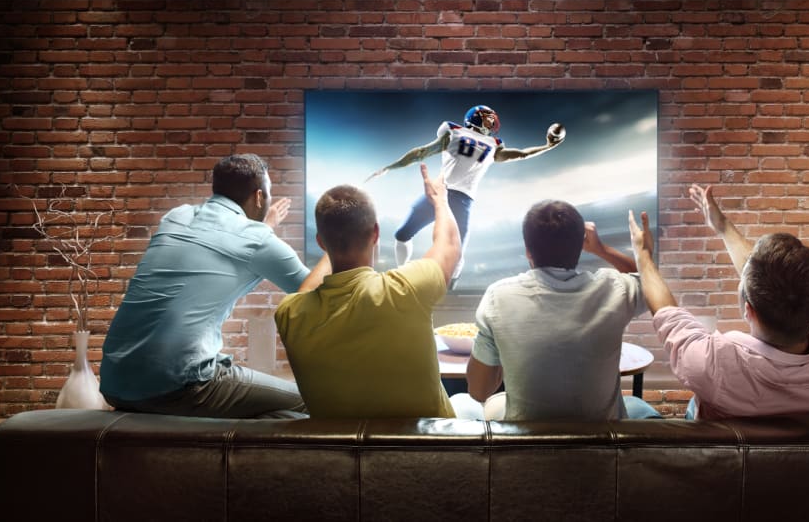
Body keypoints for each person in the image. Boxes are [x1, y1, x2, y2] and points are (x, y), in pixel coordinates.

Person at [100, 154, 327, 418]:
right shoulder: (257, 239)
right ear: (258, 197)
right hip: (178, 387)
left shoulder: (176, 216)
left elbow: (230, 241)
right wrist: (333, 244)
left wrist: (266, 226)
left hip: (115, 383)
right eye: (267, 193)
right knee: (313, 401)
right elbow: (313, 294)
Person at [628, 184, 809, 420]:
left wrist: (643, 254)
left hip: (724, 454)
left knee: (633, 406)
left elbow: (669, 315)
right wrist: (722, 226)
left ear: (748, 310)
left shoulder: (713, 365)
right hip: (796, 455)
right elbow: (773, 282)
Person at [274, 164, 461, 418]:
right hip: (427, 453)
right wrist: (440, 200)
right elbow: (449, 245)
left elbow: (306, 289)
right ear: (375, 233)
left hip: (343, 455)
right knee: (468, 402)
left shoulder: (289, 314)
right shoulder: (405, 290)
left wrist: (334, 239)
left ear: (320, 242)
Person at [453, 199, 661, 421]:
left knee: (462, 402)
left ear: (527, 250)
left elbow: (478, 391)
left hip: (527, 449)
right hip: (603, 449)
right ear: (580, 247)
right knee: (637, 405)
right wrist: (602, 249)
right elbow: (648, 281)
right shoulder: (614, 288)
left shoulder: (498, 297)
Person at [365, 105, 563, 287]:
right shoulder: (455, 132)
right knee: (402, 234)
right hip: (441, 193)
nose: (492, 122)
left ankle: (450, 284)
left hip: (460, 199)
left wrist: (546, 146)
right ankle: (402, 272)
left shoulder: (491, 143)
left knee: (456, 254)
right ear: (476, 118)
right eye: (488, 118)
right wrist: (390, 167)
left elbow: (521, 154)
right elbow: (422, 152)